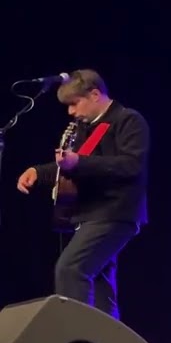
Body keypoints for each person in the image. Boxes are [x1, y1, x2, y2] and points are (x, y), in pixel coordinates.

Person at [15, 70, 150, 319]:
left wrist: (79, 163)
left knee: (70, 269)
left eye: (74, 104)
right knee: (100, 287)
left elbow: (131, 165)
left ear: (95, 94)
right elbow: (72, 164)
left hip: (115, 212)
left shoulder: (128, 120)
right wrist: (38, 171)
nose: (71, 112)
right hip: (91, 213)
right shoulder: (85, 127)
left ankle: (74, 338)